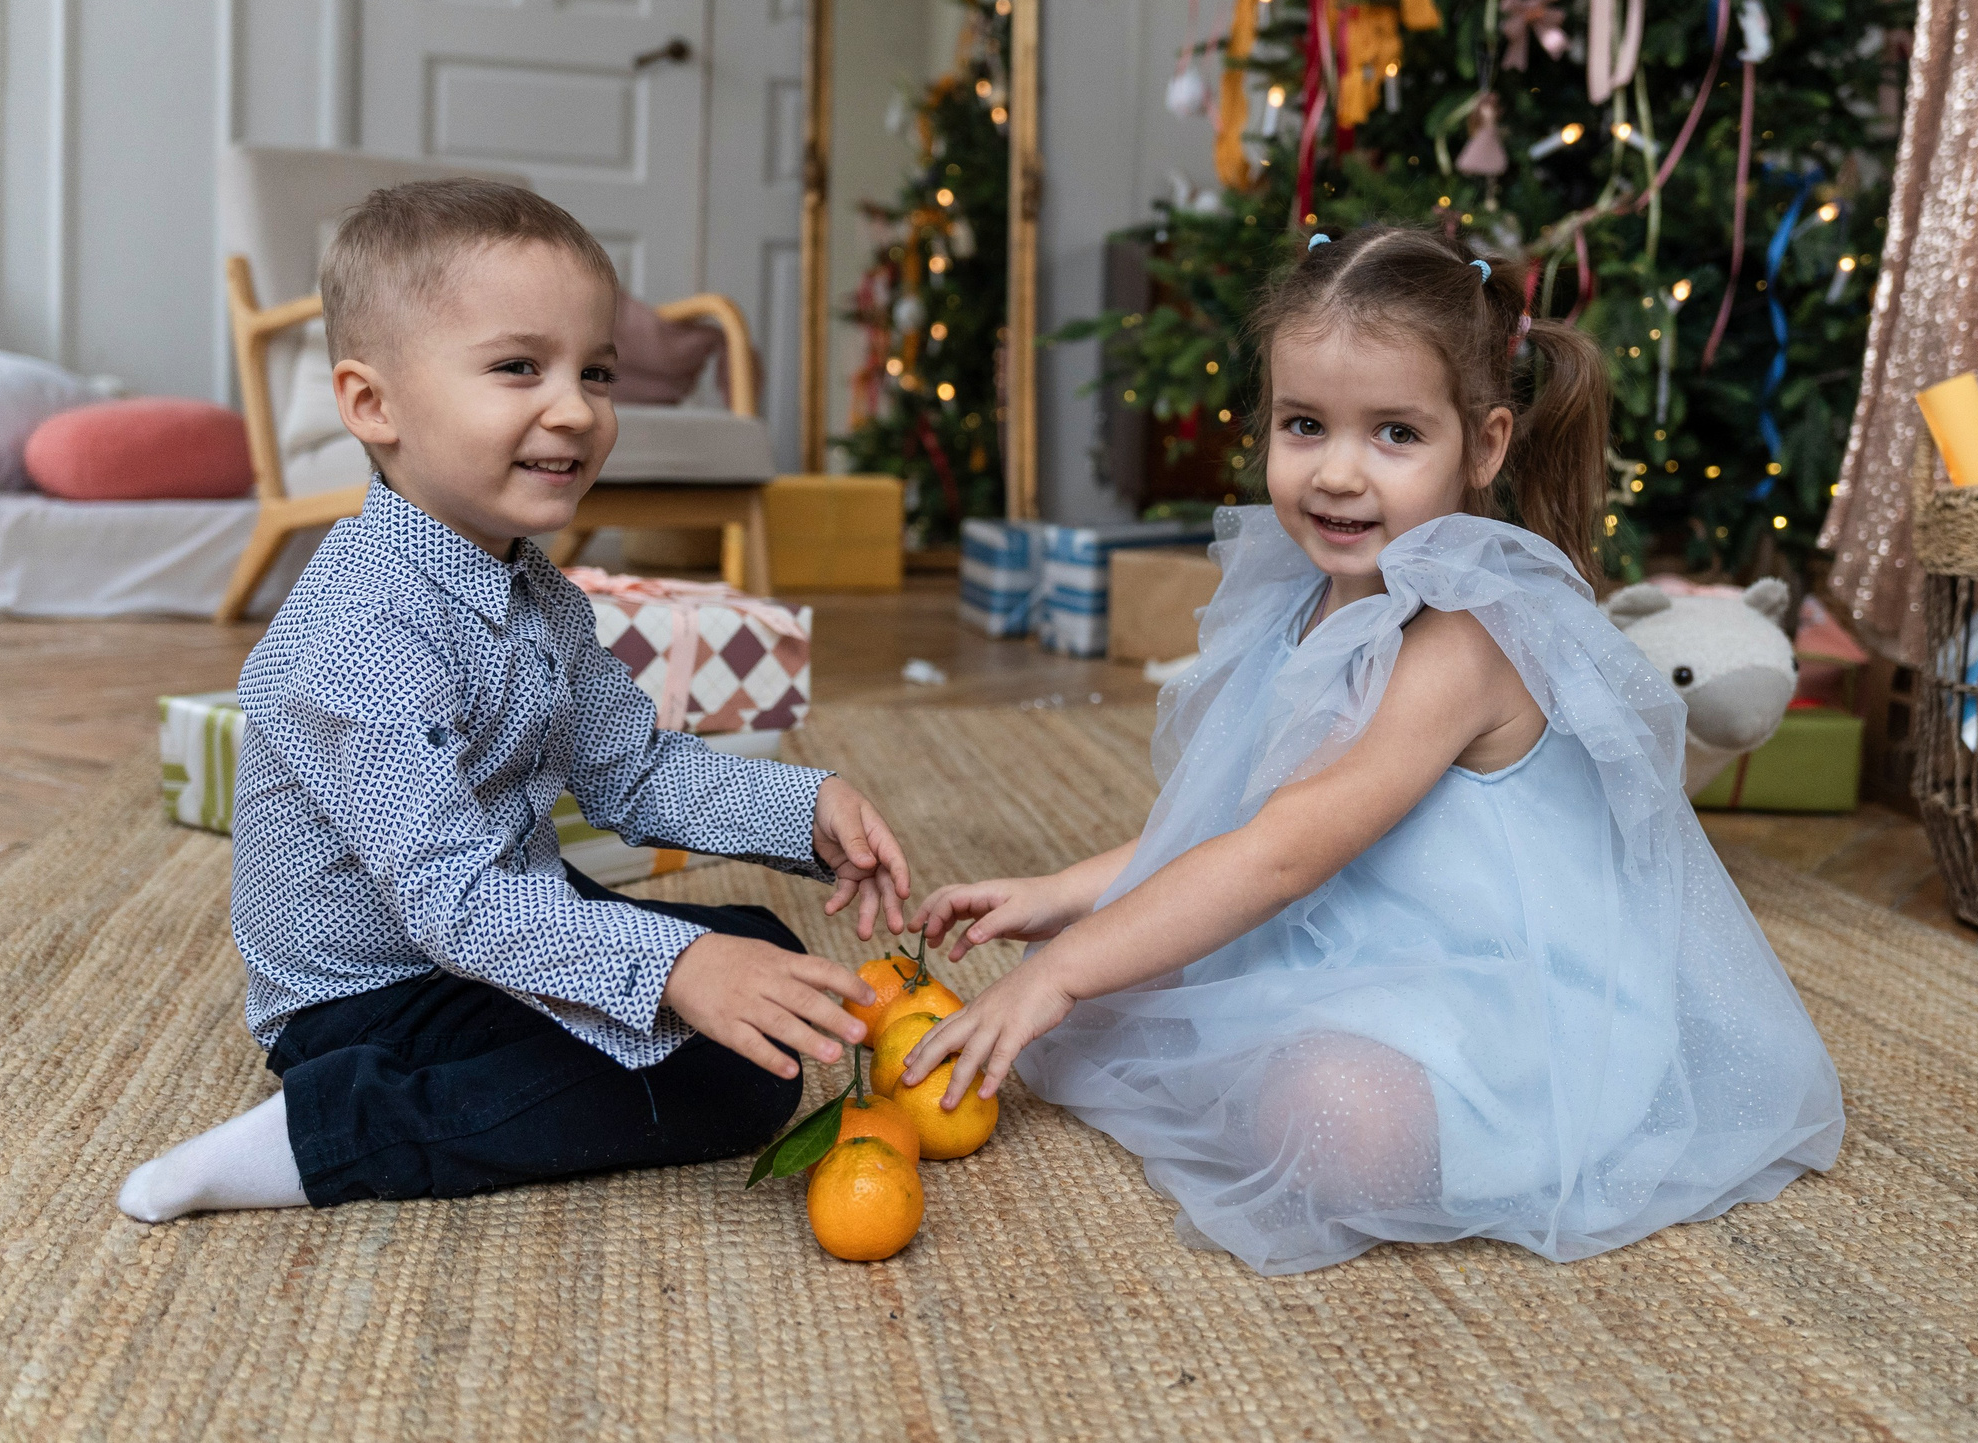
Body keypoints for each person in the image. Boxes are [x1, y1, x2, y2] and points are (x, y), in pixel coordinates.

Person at [904, 224, 1844, 1275]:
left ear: (1483, 445)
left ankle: (1421, 1115)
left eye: (1395, 434)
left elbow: (1283, 854)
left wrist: (1067, 974)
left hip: (1499, 996)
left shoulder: (1462, 640)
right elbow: (1242, 820)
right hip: (1351, 933)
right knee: (1124, 977)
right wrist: (1065, 895)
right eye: (1305, 425)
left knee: (1331, 1121)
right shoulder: (1306, 599)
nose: (1338, 474)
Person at [118, 180, 908, 1221]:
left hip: (496, 920)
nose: (575, 408)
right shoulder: (362, 630)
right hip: (373, 995)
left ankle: (647, 999)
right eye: (517, 368)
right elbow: (451, 903)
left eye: (596, 373)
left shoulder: (533, 590)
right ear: (372, 405)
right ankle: (330, 1133)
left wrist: (801, 809)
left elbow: (633, 770)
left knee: (762, 955)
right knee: (735, 1075)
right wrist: (677, 965)